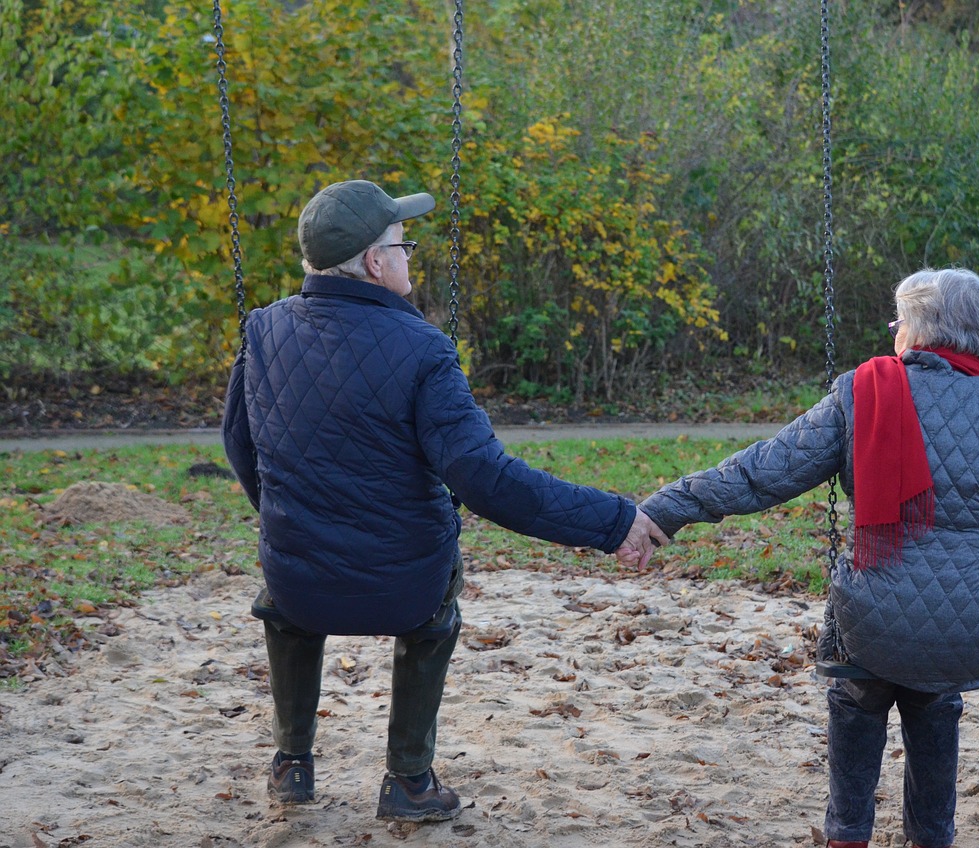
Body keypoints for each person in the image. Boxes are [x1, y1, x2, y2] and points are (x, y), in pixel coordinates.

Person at [222, 178, 667, 823]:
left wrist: (290, 514)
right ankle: (407, 780)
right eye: (404, 244)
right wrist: (615, 520)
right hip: (404, 585)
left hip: (297, 579)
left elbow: (239, 445)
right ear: (376, 263)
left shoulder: (261, 330)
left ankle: (292, 764)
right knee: (436, 610)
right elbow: (484, 479)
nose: (410, 256)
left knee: (285, 591)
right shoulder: (424, 349)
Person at [638, 268, 979, 848]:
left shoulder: (862, 394)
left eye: (899, 321)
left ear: (921, 331)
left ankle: (847, 835)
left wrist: (665, 510)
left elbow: (761, 475)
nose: (894, 332)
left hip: (875, 624)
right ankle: (931, 837)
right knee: (935, 696)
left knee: (858, 690)